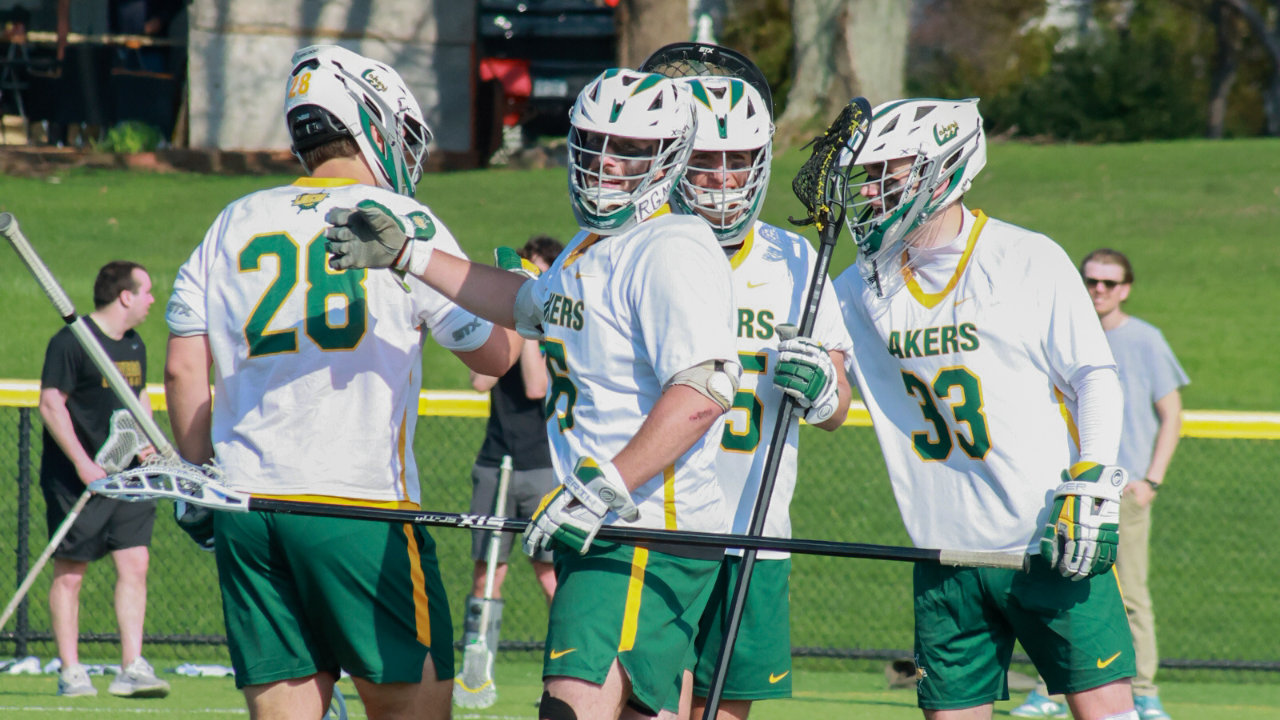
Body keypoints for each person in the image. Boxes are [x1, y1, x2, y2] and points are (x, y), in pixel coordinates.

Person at [323, 68, 741, 719]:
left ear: (668, 158)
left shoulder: (668, 246)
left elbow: (704, 389)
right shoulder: (591, 247)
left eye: (630, 148)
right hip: (618, 524)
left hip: (639, 527)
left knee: (568, 709)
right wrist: (409, 254)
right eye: (595, 143)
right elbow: (522, 303)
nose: (606, 162)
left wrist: (603, 486)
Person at [163, 45, 522, 720]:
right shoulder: (402, 220)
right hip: (359, 506)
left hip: (248, 506)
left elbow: (184, 366)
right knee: (411, 708)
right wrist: (519, 300)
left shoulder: (233, 220)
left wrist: (197, 472)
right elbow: (495, 357)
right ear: (370, 121)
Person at [831, 98, 1140, 720]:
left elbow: (1094, 377)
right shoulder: (857, 288)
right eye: (869, 174)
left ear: (944, 170)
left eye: (889, 172)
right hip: (943, 556)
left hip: (1047, 537)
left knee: (1109, 713)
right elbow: (830, 404)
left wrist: (1091, 483)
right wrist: (815, 386)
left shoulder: (1025, 257)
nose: (871, 189)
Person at [668, 75, 854, 720]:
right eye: (705, 159)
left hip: (754, 525)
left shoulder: (794, 257)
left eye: (739, 159)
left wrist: (821, 389)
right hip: (661, 521)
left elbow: (838, 409)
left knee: (725, 706)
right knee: (651, 699)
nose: (723, 177)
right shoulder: (643, 250)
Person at [1012, 250, 1187, 720]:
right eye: (1091, 280)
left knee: (1131, 596)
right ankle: (1051, 691)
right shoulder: (1056, 332)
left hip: (1121, 493)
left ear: (1125, 288)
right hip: (1069, 490)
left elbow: (1172, 414)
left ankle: (1144, 692)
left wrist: (1151, 481)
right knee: (1056, 587)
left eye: (1109, 283)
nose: (1098, 290)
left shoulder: (1145, 340)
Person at [38, 260, 170, 698]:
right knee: (71, 574)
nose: (152, 300)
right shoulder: (72, 342)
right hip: (78, 480)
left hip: (126, 478)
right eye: (146, 291)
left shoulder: (134, 344)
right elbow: (51, 403)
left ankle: (131, 666)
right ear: (125, 296)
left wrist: (147, 443)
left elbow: (139, 396)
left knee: (135, 563)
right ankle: (71, 670)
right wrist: (81, 462)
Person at [460, 235, 564, 667]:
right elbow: (480, 380)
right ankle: (477, 666)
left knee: (550, 574)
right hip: (496, 461)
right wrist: (512, 315)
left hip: (541, 466)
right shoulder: (504, 328)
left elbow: (537, 386)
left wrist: (533, 324)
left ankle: (564, 664)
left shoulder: (561, 332)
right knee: (487, 571)